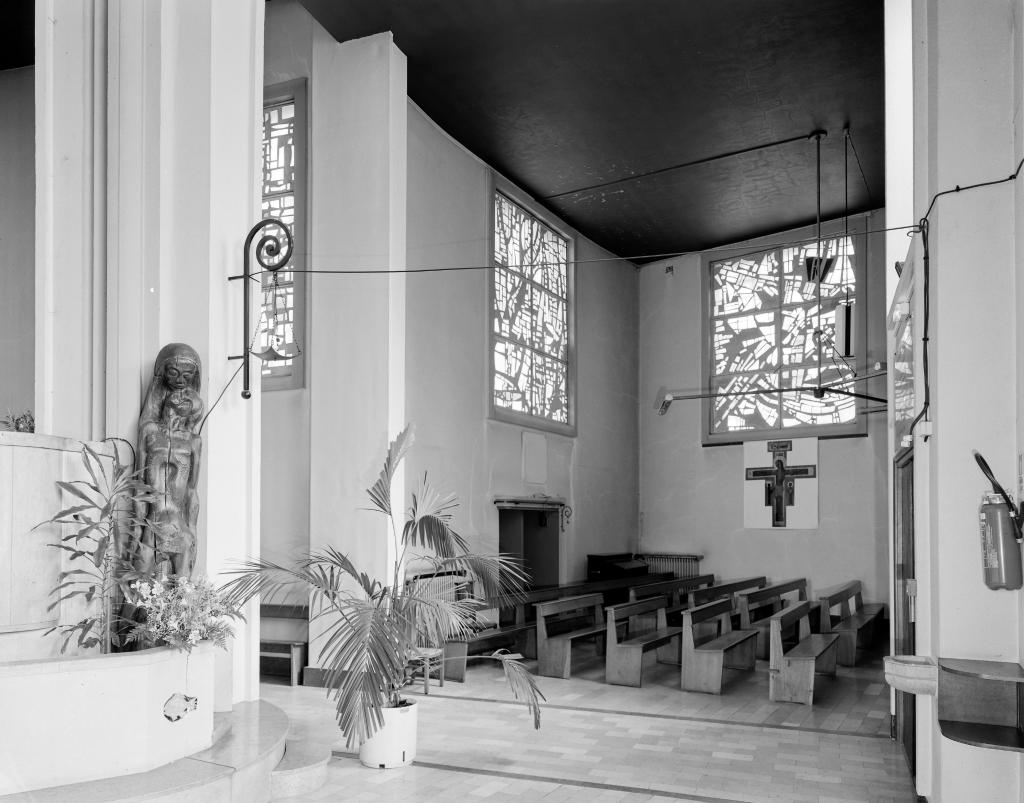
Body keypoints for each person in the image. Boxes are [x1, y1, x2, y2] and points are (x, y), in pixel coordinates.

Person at [135, 343, 203, 578]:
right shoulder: (150, 432)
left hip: (180, 526)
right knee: (142, 592)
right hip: (153, 526)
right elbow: (140, 486)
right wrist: (137, 528)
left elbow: (192, 491)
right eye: (173, 372)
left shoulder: (194, 441)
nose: (180, 381)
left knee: (182, 593)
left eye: (188, 374)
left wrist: (193, 530)